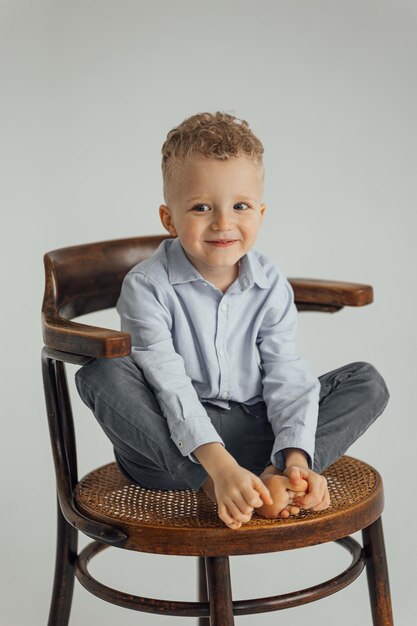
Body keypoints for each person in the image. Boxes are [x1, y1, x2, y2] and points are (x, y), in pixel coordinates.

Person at [75, 111, 390, 530]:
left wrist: (294, 457)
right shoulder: (148, 285)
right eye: (201, 207)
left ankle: (281, 479)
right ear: (169, 219)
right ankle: (217, 483)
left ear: (260, 213)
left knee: (365, 381)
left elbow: (285, 372)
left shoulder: (269, 281)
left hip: (255, 432)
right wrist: (217, 466)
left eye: (240, 206)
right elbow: (166, 381)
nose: (224, 223)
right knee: (102, 372)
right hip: (167, 450)